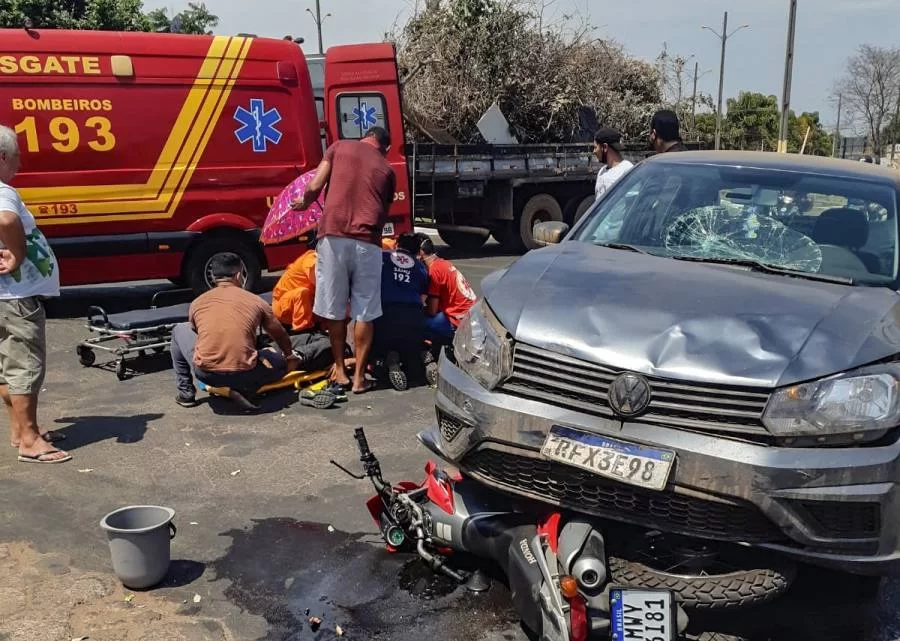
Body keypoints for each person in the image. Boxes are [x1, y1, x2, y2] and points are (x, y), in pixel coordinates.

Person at [292, 126, 396, 394]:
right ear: (384, 147)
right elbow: (383, 213)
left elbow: (315, 186)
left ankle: (339, 370)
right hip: (368, 243)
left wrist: (304, 202)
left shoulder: (338, 147)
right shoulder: (387, 169)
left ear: (365, 137)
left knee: (335, 308)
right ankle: (360, 378)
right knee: (365, 311)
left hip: (333, 237)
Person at [0, 124, 69, 464]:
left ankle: (19, 431)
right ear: (2, 157)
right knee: (26, 365)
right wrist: (16, 254)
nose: (20, 165)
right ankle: (29, 440)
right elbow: (7, 219)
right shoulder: (3, 191)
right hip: (15, 296)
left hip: (5, 297)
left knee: (6, 364)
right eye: (16, 158)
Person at [171, 254, 299, 410]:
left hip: (207, 375)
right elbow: (279, 335)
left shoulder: (197, 303)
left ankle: (186, 394)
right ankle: (244, 388)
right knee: (276, 359)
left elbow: (197, 333)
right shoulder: (256, 301)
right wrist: (289, 355)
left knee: (179, 329)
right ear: (239, 275)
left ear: (213, 276)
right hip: (247, 375)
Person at [271, 230, 333, 372]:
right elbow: (323, 286)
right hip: (284, 308)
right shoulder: (312, 259)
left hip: (304, 306)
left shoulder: (323, 261)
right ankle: (303, 331)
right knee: (303, 293)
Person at [373, 232, 429, 390]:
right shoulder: (420, 267)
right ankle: (422, 357)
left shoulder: (383, 258)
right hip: (413, 316)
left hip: (386, 314)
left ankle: (390, 360)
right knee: (410, 347)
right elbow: (423, 298)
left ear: (397, 244)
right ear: (418, 252)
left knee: (379, 342)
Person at [414, 233, 477, 344]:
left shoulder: (434, 271)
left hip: (457, 322)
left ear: (420, 253)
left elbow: (432, 310)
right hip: (470, 315)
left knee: (414, 323)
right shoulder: (443, 263)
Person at [593, 128, 634, 201]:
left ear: (605, 147)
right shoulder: (602, 171)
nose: (594, 151)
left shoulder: (627, 170)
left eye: (595, 147)